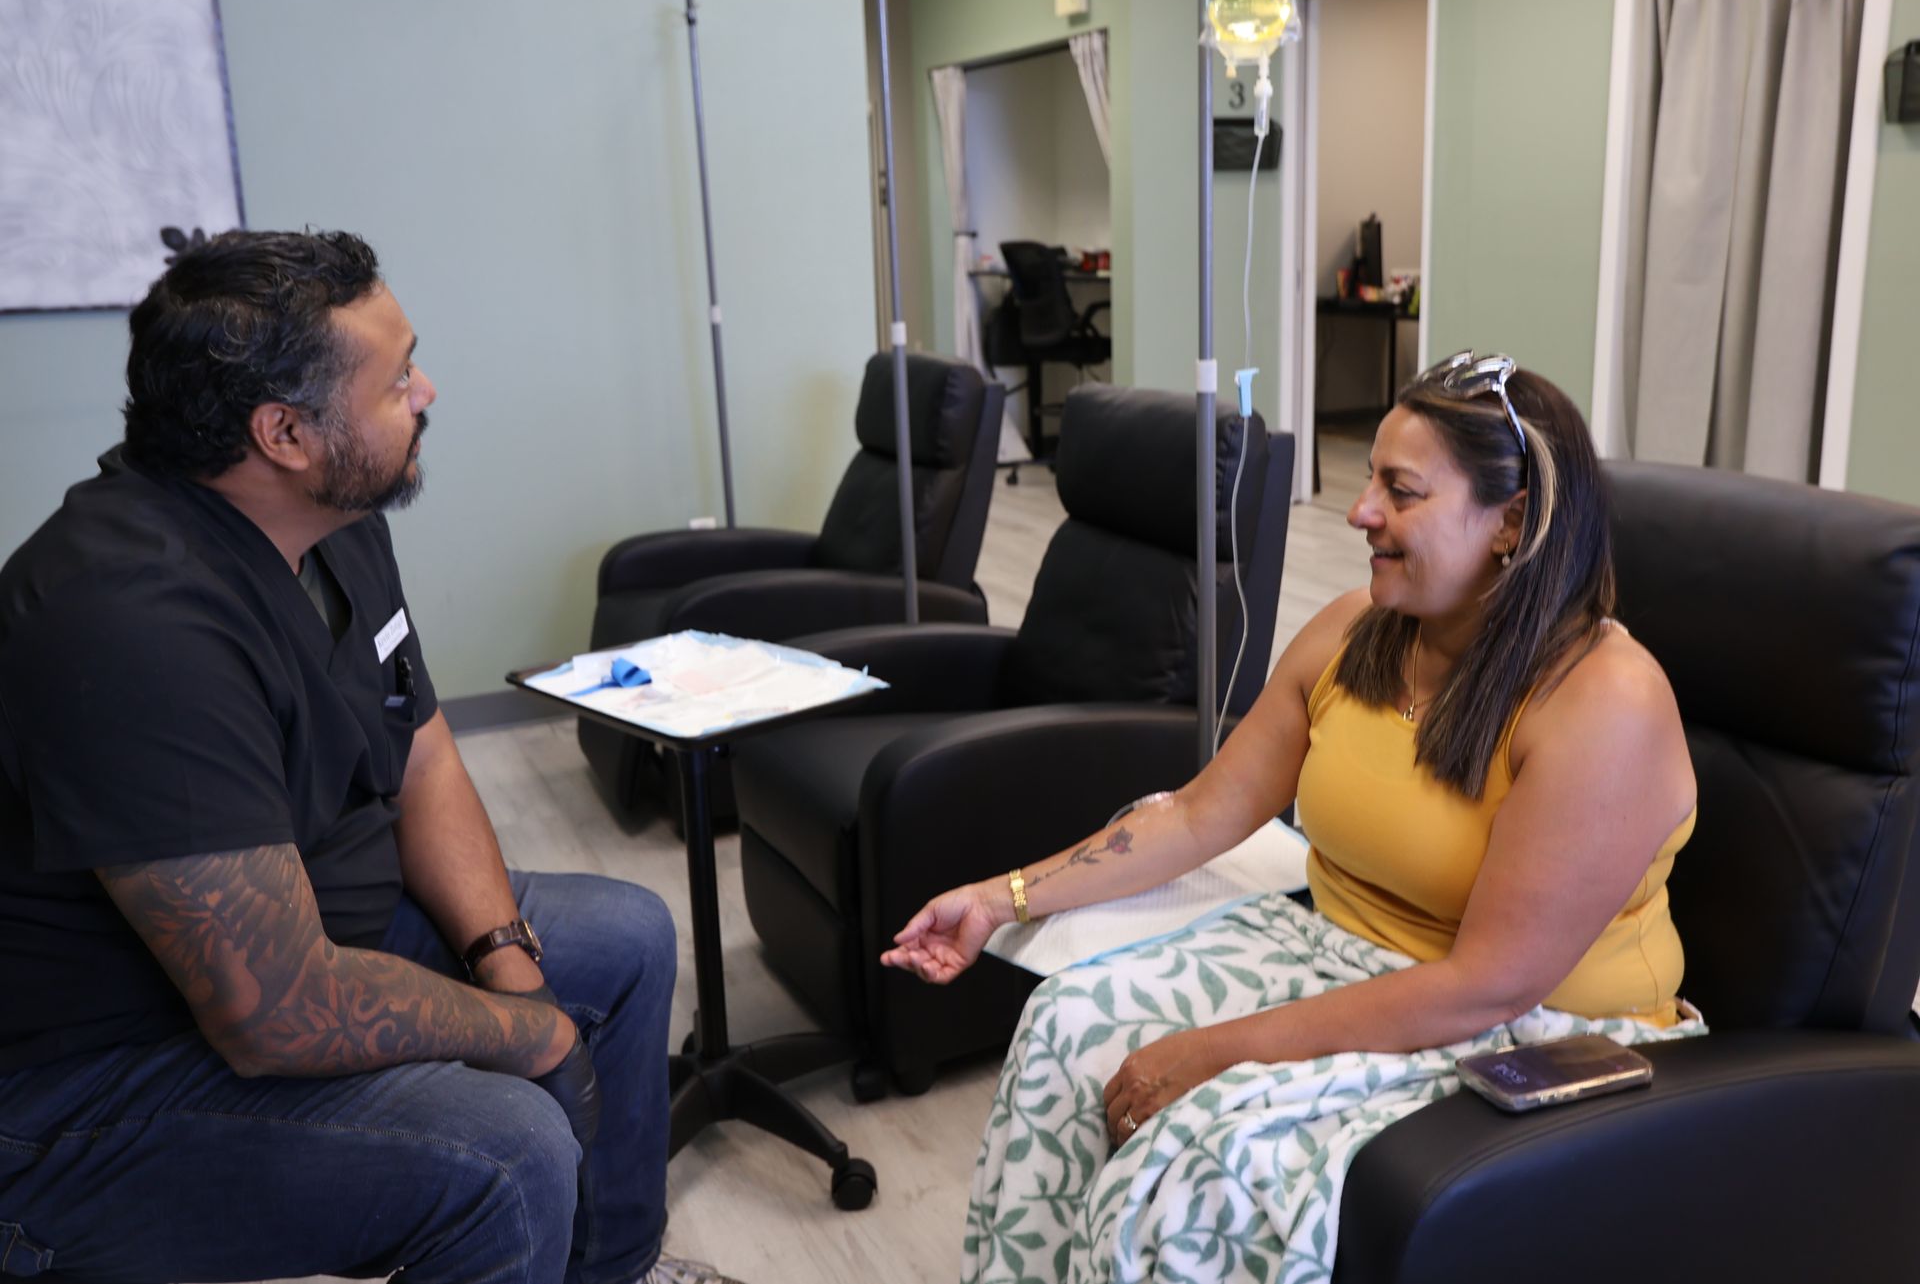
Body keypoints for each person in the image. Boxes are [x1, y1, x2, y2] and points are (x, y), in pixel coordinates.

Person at [0, 231, 739, 1284]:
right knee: (503, 1150)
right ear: (285, 431)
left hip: (309, 928)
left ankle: (609, 1268)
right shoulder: (128, 623)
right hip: (87, 1081)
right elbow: (275, 1011)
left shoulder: (333, 515)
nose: (427, 390)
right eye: (397, 380)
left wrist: (504, 953)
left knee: (622, 938)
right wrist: (523, 1036)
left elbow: (420, 742)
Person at [883, 354, 1705, 1284]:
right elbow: (1199, 813)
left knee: (1204, 1164)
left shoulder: (1603, 700)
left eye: (1401, 490)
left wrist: (1211, 1050)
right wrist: (1002, 898)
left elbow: (1485, 985)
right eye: (1370, 483)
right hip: (1346, 954)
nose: (1361, 513)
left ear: (1510, 520)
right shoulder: (1359, 630)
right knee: (1066, 1026)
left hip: (1539, 1033)